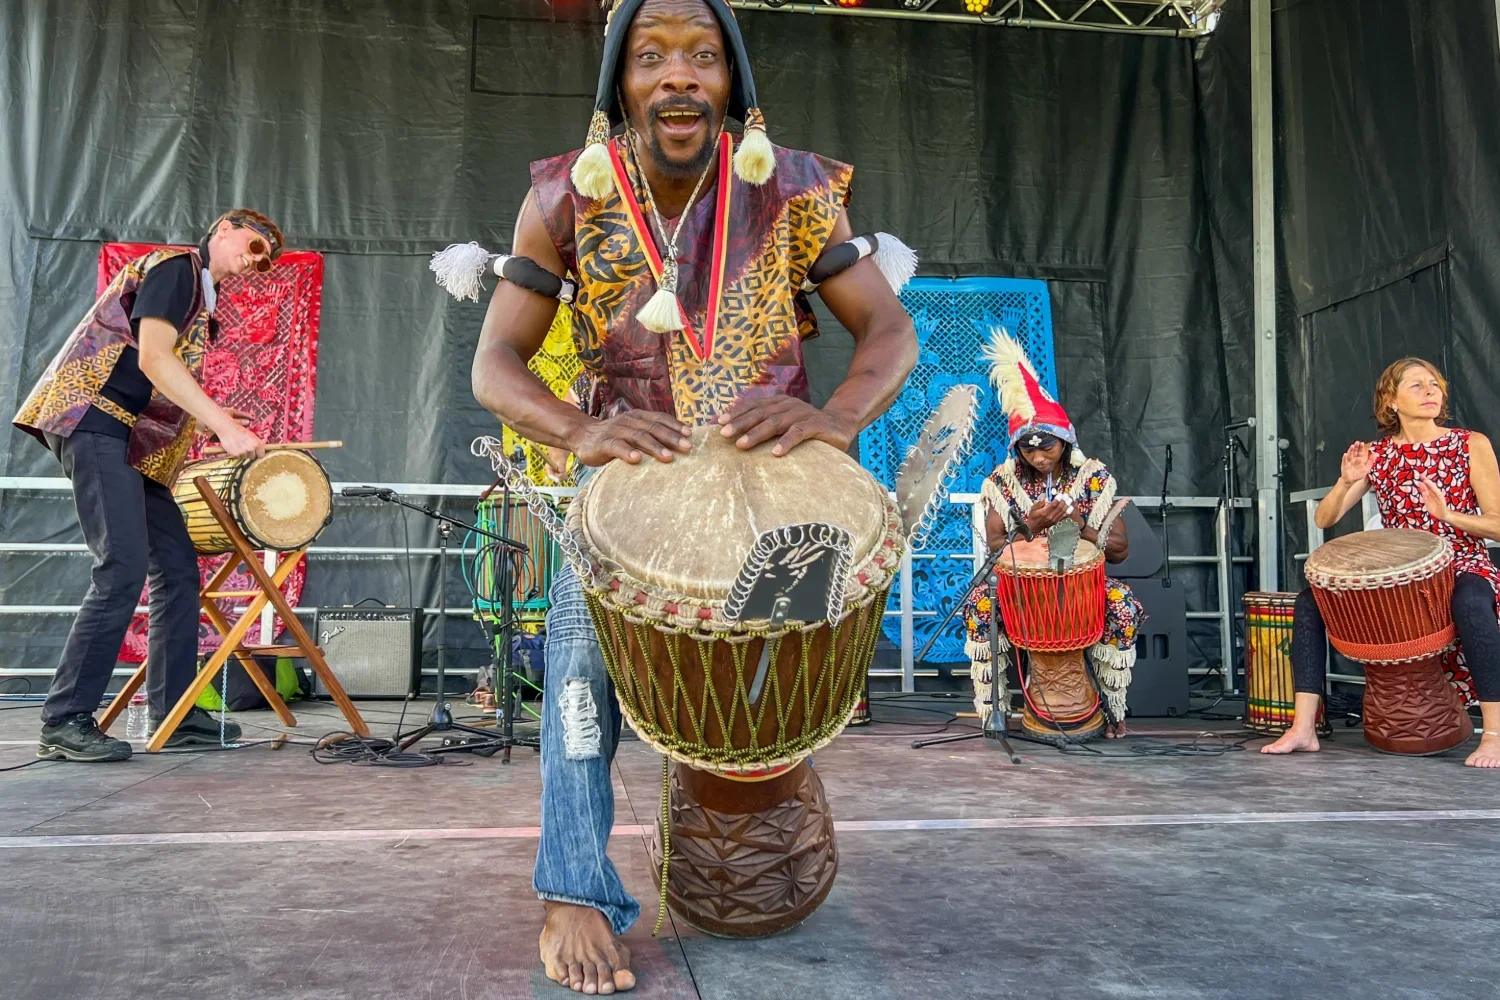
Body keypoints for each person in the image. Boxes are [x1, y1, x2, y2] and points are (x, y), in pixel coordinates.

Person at [467, 0, 917, 990]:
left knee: (763, 683)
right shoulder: (562, 197)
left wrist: (837, 419)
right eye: (653, 57)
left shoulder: (798, 189)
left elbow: (888, 330)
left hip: (780, 497)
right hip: (628, 490)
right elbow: (494, 365)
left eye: (704, 57)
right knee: (580, 680)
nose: (679, 75)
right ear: (618, 83)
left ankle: (751, 830)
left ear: (733, 81)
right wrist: (584, 433)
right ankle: (573, 891)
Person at [14, 209, 283, 762]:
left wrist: (209, 414)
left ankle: (176, 711)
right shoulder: (178, 268)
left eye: (265, 259)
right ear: (224, 228)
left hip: (128, 437)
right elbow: (156, 359)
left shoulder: (198, 293)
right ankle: (64, 718)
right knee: (121, 566)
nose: (255, 261)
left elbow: (158, 377)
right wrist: (223, 425)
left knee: (178, 568)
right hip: (96, 423)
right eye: (253, 245)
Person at [1262, 357, 1500, 768]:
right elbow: (1325, 519)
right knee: (1309, 603)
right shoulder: (1378, 455)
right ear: (1390, 401)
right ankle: (1303, 728)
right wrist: (1345, 479)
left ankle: (1494, 734)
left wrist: (1449, 517)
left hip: (1461, 564)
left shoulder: (1469, 444)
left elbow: (1497, 524)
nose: (1430, 392)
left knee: (1473, 604)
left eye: (1434, 385)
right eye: (1416, 386)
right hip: (1396, 579)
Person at [961, 330, 1141, 737]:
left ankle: (1113, 710)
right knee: (979, 608)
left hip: (1081, 587)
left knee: (1123, 606)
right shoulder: (1002, 482)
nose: (1039, 457)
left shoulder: (1093, 478)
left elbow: (1120, 551)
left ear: (1067, 440)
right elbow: (993, 546)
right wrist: (1033, 527)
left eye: (1049, 447)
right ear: (1016, 448)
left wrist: (1078, 523)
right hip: (1018, 589)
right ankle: (994, 710)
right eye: (1028, 449)